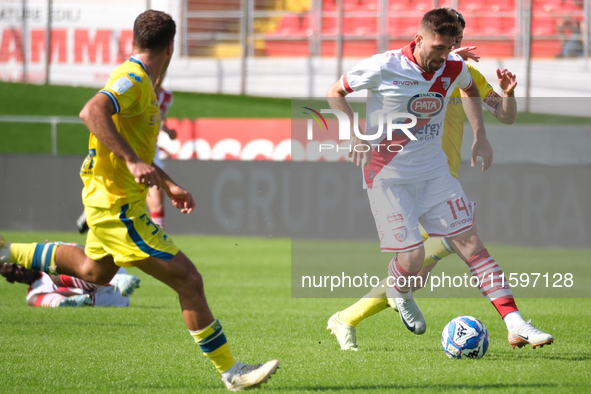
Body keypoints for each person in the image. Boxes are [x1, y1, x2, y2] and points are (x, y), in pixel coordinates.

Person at [0, 10, 278, 391]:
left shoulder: (142, 82)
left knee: (93, 271)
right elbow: (91, 111)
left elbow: (133, 147)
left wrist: (167, 184)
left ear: (135, 39)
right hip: (117, 206)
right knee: (188, 280)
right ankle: (233, 371)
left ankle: (5, 252)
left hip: (109, 199)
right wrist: (132, 162)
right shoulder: (132, 79)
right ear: (170, 47)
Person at [324, 8, 553, 352]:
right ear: (422, 39)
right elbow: (335, 92)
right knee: (414, 263)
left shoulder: (459, 69)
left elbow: (489, 103)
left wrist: (483, 131)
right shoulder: (386, 66)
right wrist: (352, 133)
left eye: (455, 44)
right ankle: (362, 310)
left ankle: (516, 322)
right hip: (389, 174)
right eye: (443, 45)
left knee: (467, 246)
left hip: (436, 175)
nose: (448, 52)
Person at [1, 262, 138, 308]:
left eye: (16, 263)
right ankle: (63, 302)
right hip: (108, 300)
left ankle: (117, 280)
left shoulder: (46, 259)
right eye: (13, 270)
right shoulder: (34, 292)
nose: (20, 268)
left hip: (110, 273)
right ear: (11, 280)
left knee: (56, 273)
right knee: (31, 299)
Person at [147, 72, 178, 230]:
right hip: (130, 149)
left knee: (158, 203)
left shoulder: (166, 96)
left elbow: (159, 117)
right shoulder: (138, 90)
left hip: (152, 150)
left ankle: (159, 242)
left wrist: (166, 130)